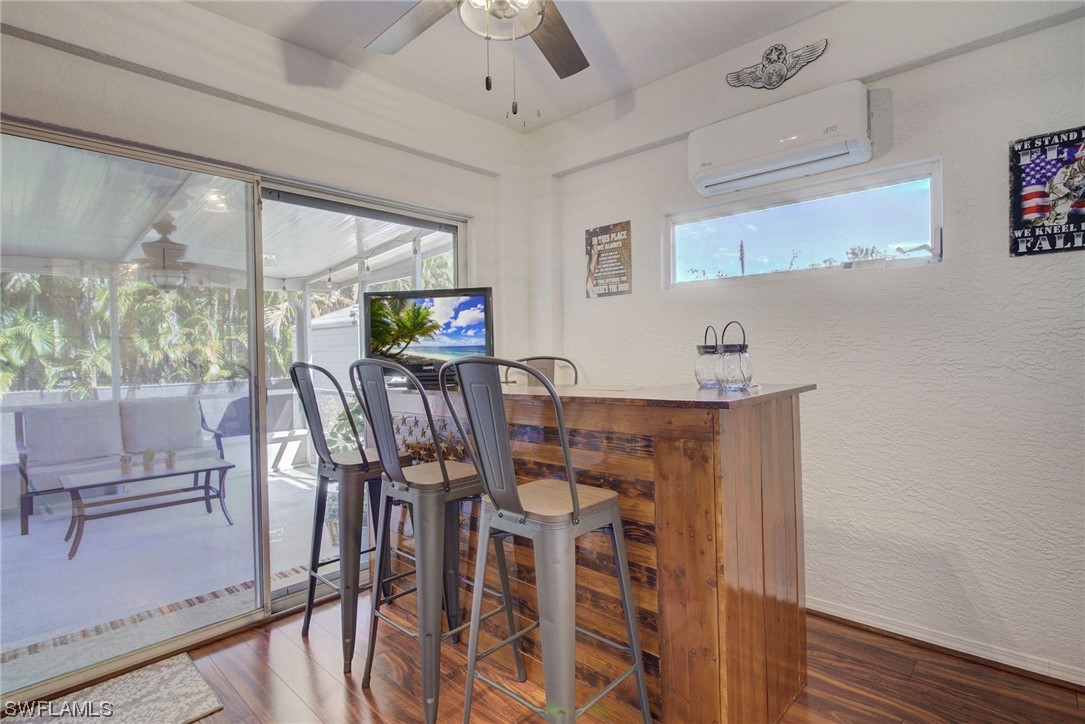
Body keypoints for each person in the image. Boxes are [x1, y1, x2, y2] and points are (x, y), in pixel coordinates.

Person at [1034, 145, 1085, 227]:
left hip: (1070, 200)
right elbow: (1056, 185)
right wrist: (1068, 193)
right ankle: (1041, 224)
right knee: (1058, 221)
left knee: (1062, 220)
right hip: (1058, 197)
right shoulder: (1067, 169)